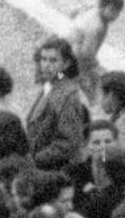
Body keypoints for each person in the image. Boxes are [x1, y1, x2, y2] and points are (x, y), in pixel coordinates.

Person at [25, 37, 89, 167]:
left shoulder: (68, 94)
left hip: (55, 169)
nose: (46, 65)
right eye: (43, 59)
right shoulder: (53, 81)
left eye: (53, 60)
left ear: (66, 64)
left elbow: (67, 143)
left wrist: (33, 160)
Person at [67, 0, 125, 102]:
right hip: (74, 61)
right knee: (91, 85)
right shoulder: (96, 26)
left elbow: (73, 13)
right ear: (108, 8)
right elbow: (86, 53)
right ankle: (94, 105)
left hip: (70, 57)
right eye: (115, 12)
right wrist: (96, 67)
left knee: (68, 79)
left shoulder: (94, 11)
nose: (116, 17)